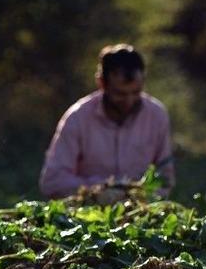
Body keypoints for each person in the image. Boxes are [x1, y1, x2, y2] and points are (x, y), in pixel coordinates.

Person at [39, 43, 175, 200]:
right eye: (120, 94)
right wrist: (96, 191)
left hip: (140, 211)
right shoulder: (78, 118)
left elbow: (165, 176)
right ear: (101, 83)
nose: (129, 101)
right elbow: (52, 181)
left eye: (135, 92)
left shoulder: (156, 116)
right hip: (86, 214)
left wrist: (143, 197)